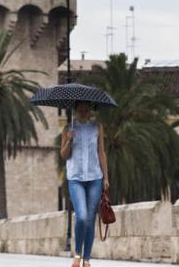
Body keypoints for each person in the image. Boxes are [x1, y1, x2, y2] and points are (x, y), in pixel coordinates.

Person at [61, 101, 110, 267]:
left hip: (95, 177)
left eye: (86, 108)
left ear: (91, 109)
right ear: (76, 109)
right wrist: (68, 140)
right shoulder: (68, 128)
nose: (83, 110)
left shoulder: (97, 127)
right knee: (81, 216)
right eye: (80, 108)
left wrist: (106, 177)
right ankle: (77, 254)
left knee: (90, 218)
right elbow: (64, 155)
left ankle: (87, 259)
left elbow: (101, 152)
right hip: (75, 178)